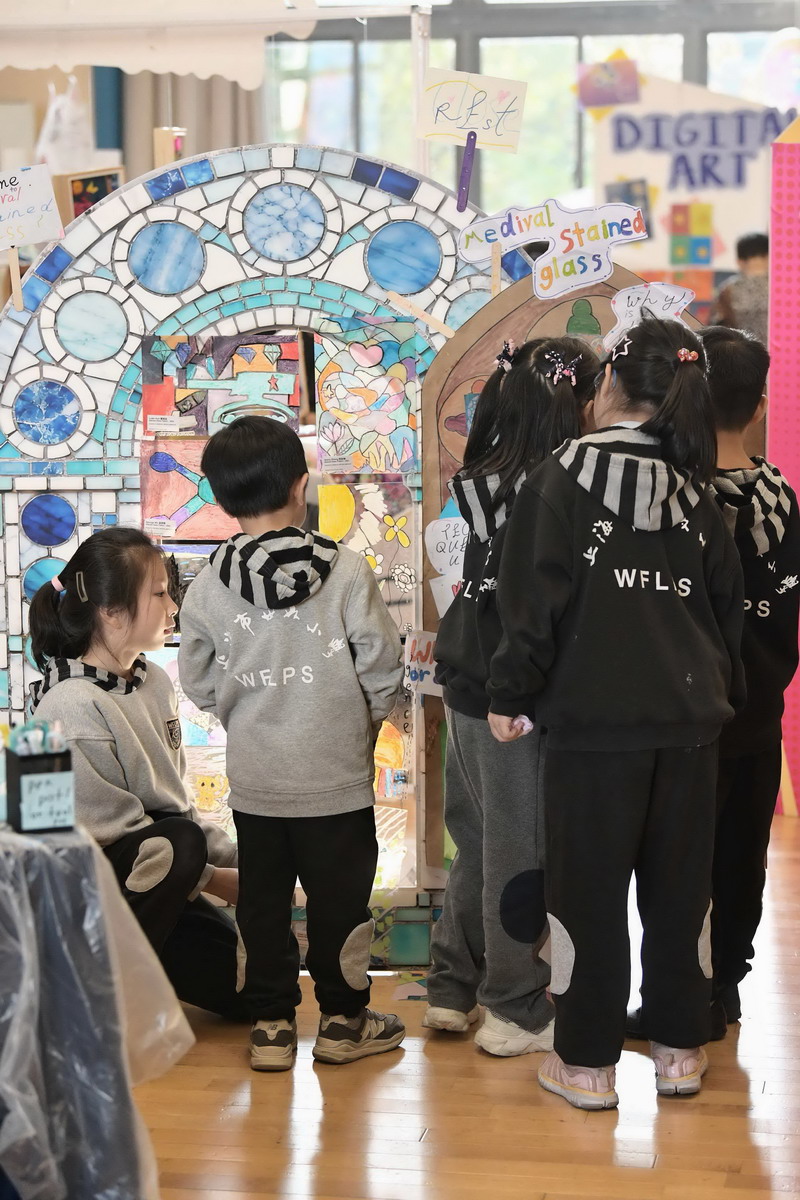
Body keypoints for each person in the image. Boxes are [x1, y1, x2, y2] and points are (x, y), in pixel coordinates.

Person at [487, 317, 745, 1110]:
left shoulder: (558, 478)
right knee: (682, 895)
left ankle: (587, 1065)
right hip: (691, 728)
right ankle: (679, 1053)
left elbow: (530, 607)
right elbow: (727, 613)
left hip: (591, 730)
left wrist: (510, 694)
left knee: (586, 898)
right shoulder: (699, 487)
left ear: (607, 385)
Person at [177, 415, 405, 1071]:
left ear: (222, 499)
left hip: (258, 782)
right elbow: (382, 667)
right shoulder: (348, 571)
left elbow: (196, 679)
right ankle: (343, 1022)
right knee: (341, 907)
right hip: (337, 780)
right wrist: (361, 725)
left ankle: (272, 1027)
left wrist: (240, 714)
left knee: (262, 906)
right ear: (302, 486)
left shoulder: (209, 584)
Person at [425, 337, 599, 1057]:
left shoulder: (478, 480)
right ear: (576, 404)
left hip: (465, 679)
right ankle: (513, 1007)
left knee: (480, 840)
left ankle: (450, 985)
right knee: (519, 850)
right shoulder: (557, 489)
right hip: (514, 695)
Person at [28, 527, 246, 1020]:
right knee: (177, 844)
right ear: (110, 610)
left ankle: (140, 974)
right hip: (86, 894)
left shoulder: (154, 682)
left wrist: (245, 859)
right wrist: (216, 879)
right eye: (160, 594)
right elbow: (105, 837)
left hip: (155, 877)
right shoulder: (70, 705)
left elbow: (173, 805)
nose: (174, 607)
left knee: (258, 988)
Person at [699, 327, 799, 1032]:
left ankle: (688, 985)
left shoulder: (676, 499)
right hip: (762, 710)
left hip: (691, 716)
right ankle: (726, 984)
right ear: (760, 405)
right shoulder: (783, 497)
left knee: (685, 859)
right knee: (743, 856)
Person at [711, 233, 769, 345]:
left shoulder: (728, 289)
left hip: (743, 350)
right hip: (779, 349)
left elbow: (718, 325)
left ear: (740, 262)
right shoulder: (781, 286)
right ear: (768, 257)